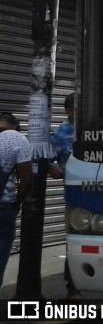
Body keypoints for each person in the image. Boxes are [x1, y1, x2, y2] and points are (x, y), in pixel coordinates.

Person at [49, 93, 81, 299]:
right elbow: (46, 161)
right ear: (68, 111)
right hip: (74, 198)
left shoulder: (96, 129)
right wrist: (54, 168)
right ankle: (73, 288)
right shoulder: (60, 135)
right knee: (75, 241)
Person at [0, 112, 33, 287]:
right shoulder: (16, 138)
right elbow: (26, 180)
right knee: (2, 245)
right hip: (3, 205)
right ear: (14, 126)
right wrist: (17, 203)